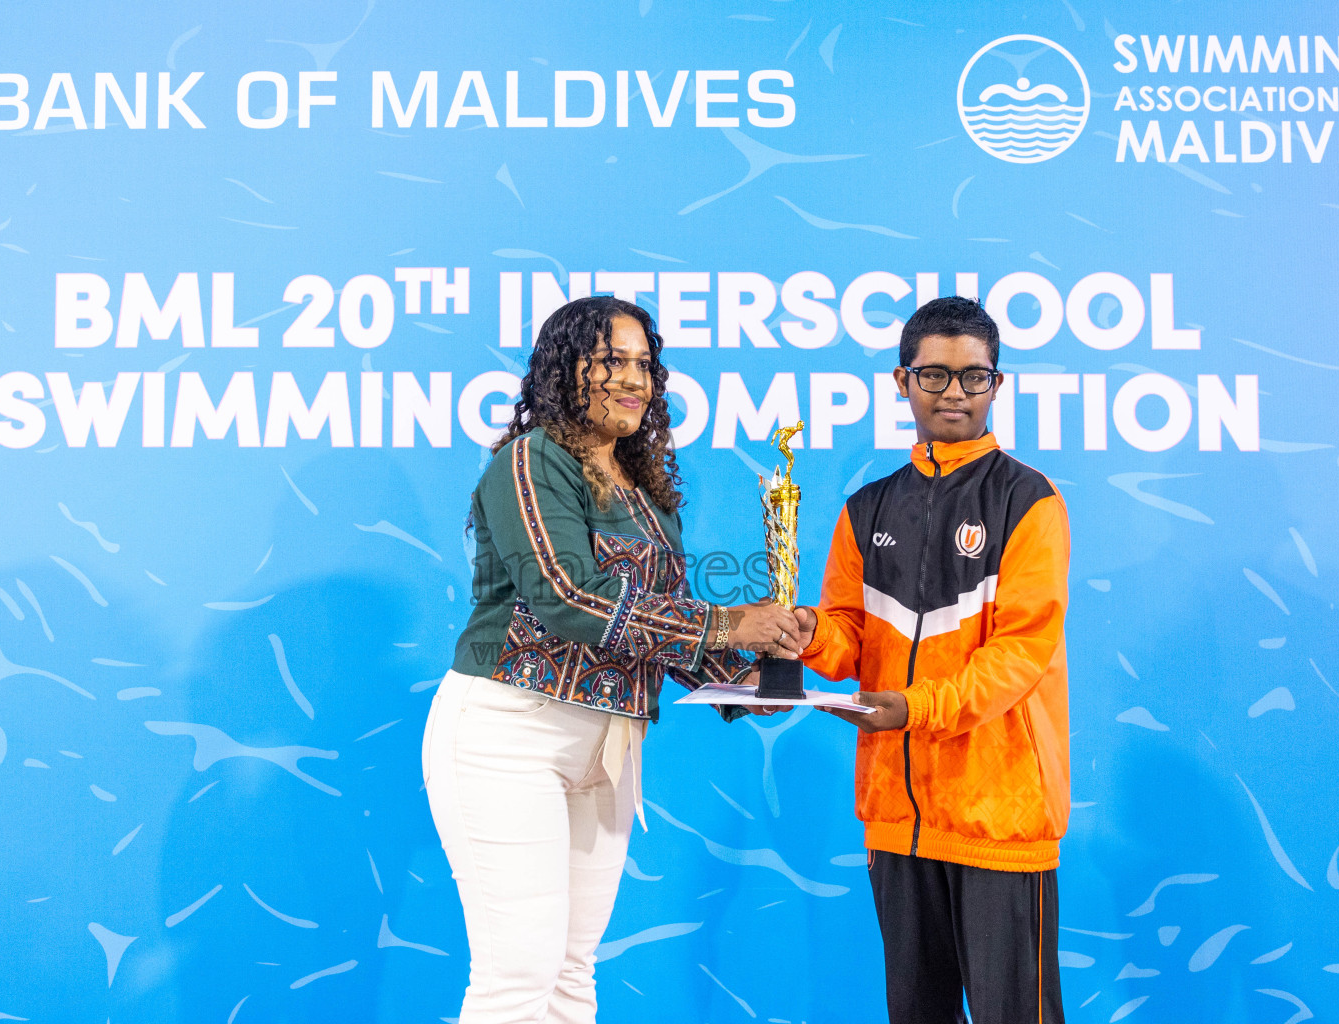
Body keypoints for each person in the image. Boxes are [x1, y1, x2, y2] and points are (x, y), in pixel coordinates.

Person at [424, 295, 801, 1024]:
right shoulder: (532, 460)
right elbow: (570, 597)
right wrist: (731, 624)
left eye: (644, 365)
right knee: (518, 972)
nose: (635, 380)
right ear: (566, 371)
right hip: (508, 734)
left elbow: (660, 621)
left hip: (607, 747)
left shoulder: (644, 488)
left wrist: (756, 675)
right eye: (612, 362)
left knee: (571, 973)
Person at [795, 296, 1071, 1024]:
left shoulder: (1029, 500)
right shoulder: (868, 508)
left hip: (999, 816)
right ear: (902, 381)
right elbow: (848, 636)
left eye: (974, 377)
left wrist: (913, 708)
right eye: (936, 376)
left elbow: (1021, 654)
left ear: (998, 385)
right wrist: (801, 634)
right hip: (897, 815)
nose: (955, 393)